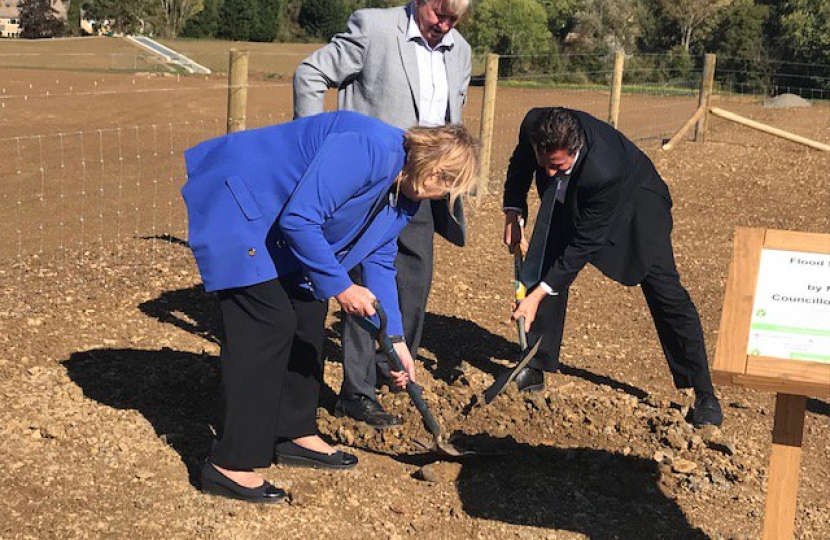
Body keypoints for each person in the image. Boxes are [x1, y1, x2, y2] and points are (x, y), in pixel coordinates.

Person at [181, 111, 479, 503]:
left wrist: (395, 342)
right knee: (270, 323)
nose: (444, 194)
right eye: (447, 182)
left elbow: (379, 259)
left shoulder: (407, 196)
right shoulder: (369, 149)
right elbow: (300, 218)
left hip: (281, 224)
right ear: (432, 164)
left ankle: (293, 433)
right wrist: (341, 286)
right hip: (241, 200)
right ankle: (229, 463)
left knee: (307, 314)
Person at [293, 0, 473, 429]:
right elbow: (310, 73)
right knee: (360, 284)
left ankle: (388, 367)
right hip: (368, 185)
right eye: (438, 15)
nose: (444, 26)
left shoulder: (460, 50)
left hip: (423, 190)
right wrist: (312, 149)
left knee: (410, 284)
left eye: (453, 20)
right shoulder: (373, 27)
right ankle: (357, 394)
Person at [502, 107, 723, 428]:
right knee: (545, 259)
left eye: (558, 165)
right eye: (545, 164)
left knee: (665, 291)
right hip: (573, 197)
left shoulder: (606, 169)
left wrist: (534, 297)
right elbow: (522, 162)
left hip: (635, 206)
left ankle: (704, 391)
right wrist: (513, 209)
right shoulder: (535, 125)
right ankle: (535, 359)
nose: (548, 174)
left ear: (575, 151)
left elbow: (581, 246)